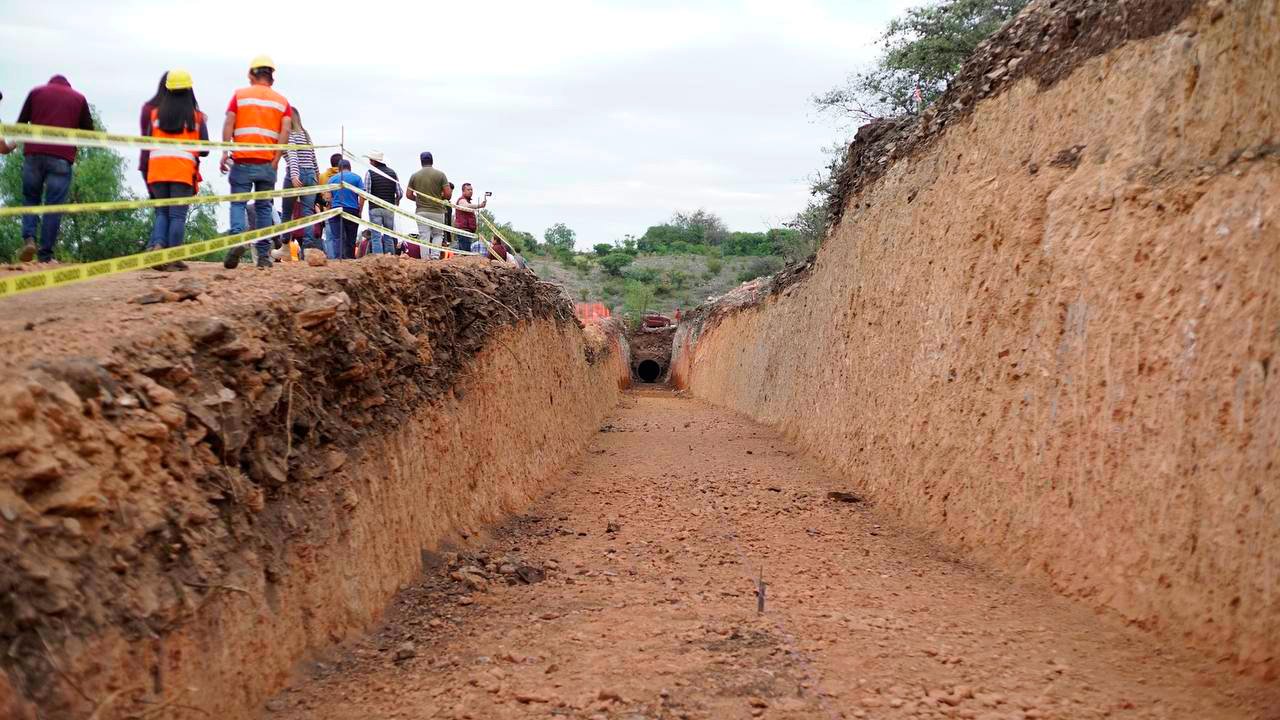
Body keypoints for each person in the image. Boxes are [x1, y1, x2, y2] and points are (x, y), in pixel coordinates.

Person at [10, 75, 94, 263]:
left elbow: (20, 124)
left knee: (30, 198)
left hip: (33, 155)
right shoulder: (78, 98)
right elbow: (89, 132)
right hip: (61, 158)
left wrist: (11, 145)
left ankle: (29, 239)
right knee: (54, 206)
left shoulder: (36, 92)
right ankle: (45, 255)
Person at [221, 55, 292, 270]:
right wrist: (277, 158)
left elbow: (229, 122)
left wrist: (225, 152)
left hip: (242, 160)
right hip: (267, 163)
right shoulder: (282, 102)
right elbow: (286, 130)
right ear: (272, 76)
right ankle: (263, 256)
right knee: (264, 208)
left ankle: (238, 240)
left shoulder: (239, 96)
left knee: (238, 203)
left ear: (251, 74)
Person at [140, 70, 208, 271]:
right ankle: (173, 257)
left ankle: (159, 247)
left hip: (157, 171)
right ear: (189, 90)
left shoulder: (155, 115)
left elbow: (149, 141)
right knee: (177, 216)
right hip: (182, 172)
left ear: (167, 90)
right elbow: (205, 149)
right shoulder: (196, 117)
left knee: (162, 212)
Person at [281, 107, 322, 261]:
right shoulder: (306, 134)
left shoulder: (290, 134)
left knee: (287, 212)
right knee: (307, 213)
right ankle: (308, 249)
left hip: (296, 173)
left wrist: (294, 174)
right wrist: (317, 176)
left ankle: (285, 246)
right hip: (311, 175)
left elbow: (292, 155)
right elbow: (313, 157)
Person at [405, 151, 447, 259]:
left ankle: (425, 259)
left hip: (421, 211)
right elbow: (448, 194)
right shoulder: (440, 175)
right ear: (432, 161)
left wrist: (418, 199)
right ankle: (435, 257)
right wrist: (439, 197)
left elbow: (408, 195)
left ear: (421, 161)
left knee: (424, 235)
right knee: (438, 235)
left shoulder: (414, 176)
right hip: (437, 210)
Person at [363, 151, 400, 254]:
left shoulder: (370, 173)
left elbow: (366, 193)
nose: (369, 162)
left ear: (374, 161)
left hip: (375, 208)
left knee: (376, 236)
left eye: (370, 160)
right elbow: (399, 193)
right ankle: (390, 258)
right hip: (389, 208)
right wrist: (396, 202)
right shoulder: (393, 173)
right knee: (389, 236)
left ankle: (378, 259)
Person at [327, 159, 364, 259]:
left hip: (336, 209)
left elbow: (328, 197)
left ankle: (338, 259)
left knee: (337, 238)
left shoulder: (332, 179)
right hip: (352, 209)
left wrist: (329, 209)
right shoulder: (357, 178)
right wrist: (360, 210)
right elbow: (362, 195)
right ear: (350, 167)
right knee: (351, 238)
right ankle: (350, 259)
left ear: (339, 168)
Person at [317, 152, 343, 260]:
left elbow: (319, 195)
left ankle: (332, 259)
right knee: (343, 235)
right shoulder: (344, 175)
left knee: (330, 237)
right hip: (343, 208)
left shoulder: (322, 176)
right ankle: (343, 259)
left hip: (327, 210)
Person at [454, 182, 487, 254]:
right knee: (465, 253)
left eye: (471, 189)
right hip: (463, 231)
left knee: (466, 252)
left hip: (468, 230)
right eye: (468, 190)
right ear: (463, 191)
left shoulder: (467, 201)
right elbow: (466, 206)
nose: (470, 191)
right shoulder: (461, 200)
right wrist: (479, 205)